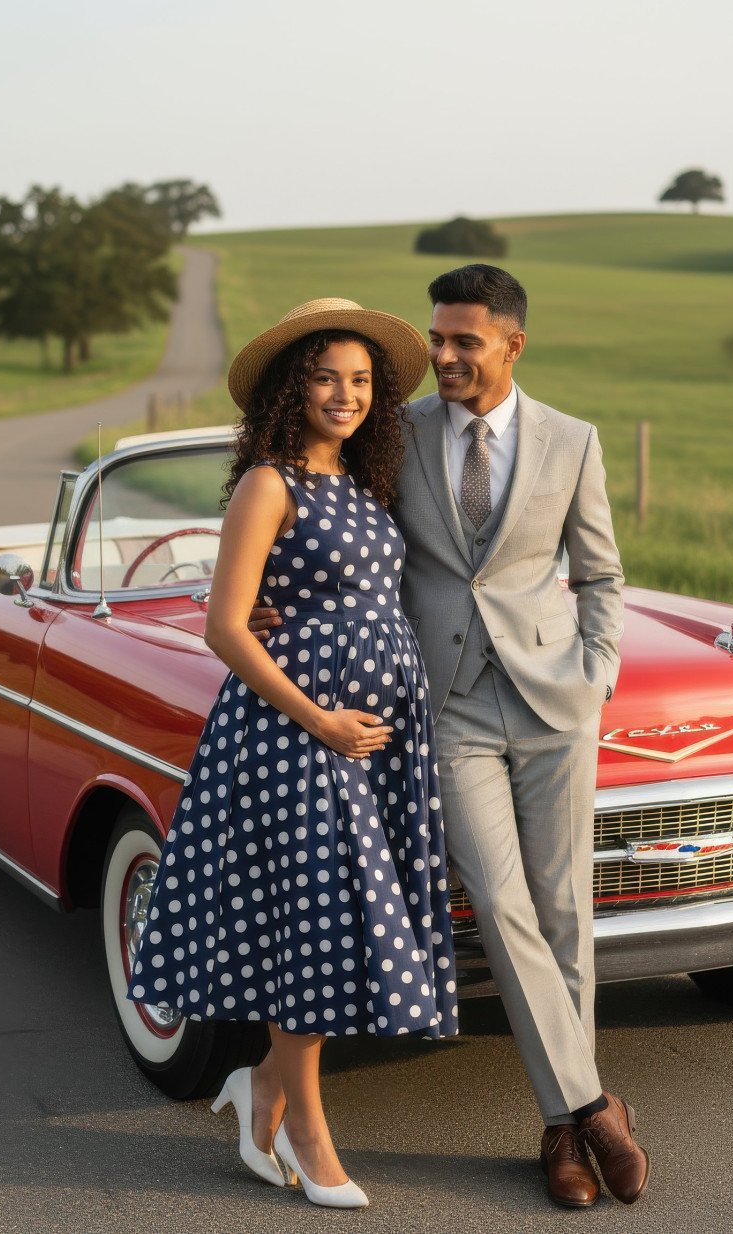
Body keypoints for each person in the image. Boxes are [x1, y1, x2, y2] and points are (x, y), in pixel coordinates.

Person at [253, 265, 649, 1208]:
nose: (442, 356)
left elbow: (602, 575)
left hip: (556, 698)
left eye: (464, 341)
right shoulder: (398, 431)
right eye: (437, 338)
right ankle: (595, 1105)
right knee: (504, 904)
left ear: (512, 344)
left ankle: (561, 1133)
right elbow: (315, 517)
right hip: (445, 701)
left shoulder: (575, 441)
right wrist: (269, 601)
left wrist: (595, 677)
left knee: (564, 917)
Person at [126, 298, 458, 1211]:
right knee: (312, 926)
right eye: (325, 377)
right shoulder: (269, 483)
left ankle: (262, 1086)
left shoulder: (361, 484)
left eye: (360, 380)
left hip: (371, 740)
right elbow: (225, 628)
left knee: (340, 924)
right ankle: (307, 1130)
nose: (345, 394)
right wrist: (323, 720)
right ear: (290, 388)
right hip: (295, 737)